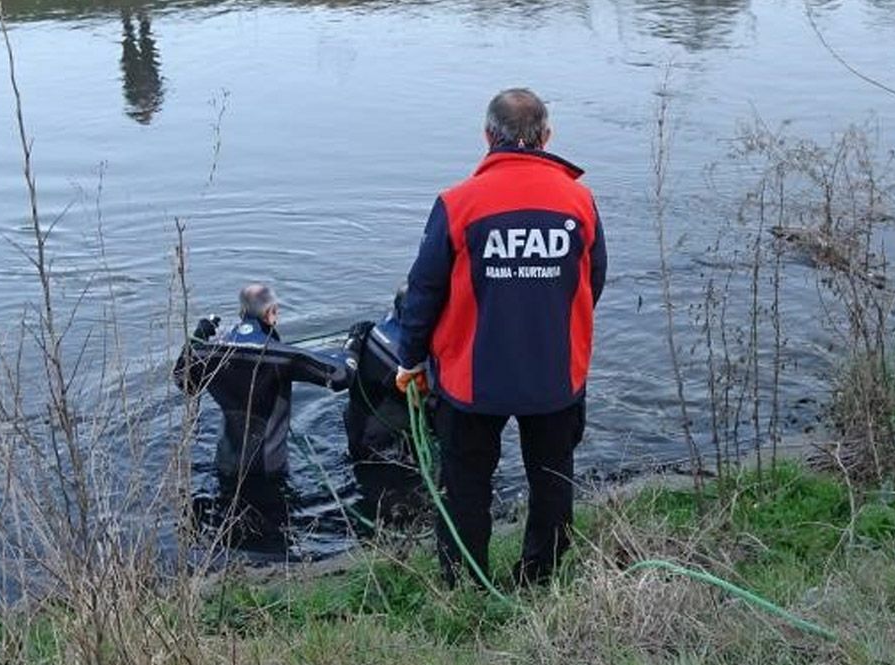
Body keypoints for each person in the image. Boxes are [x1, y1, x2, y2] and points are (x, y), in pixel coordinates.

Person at [396, 88, 608, 586]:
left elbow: (424, 290)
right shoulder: (579, 201)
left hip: (473, 379)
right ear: (546, 138)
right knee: (552, 480)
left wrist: (410, 360)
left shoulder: (458, 203)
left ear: (489, 137)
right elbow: (592, 280)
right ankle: (541, 576)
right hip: (555, 372)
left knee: (465, 484)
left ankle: (466, 581)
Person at [174, 283, 358, 523]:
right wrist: (354, 344)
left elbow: (184, 381)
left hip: (224, 466)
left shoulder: (211, 355)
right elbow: (341, 376)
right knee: (271, 534)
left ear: (241, 313)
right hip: (269, 470)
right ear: (272, 313)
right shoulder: (282, 356)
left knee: (229, 530)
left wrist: (200, 335)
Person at [343, 287, 427, 528]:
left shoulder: (376, 330)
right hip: (383, 448)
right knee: (393, 509)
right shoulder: (399, 352)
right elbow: (433, 403)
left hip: (361, 427)